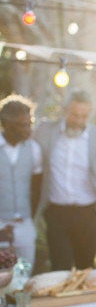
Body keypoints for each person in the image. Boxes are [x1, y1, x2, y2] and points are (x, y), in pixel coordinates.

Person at [34, 89, 96, 270]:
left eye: (84, 116)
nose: (79, 121)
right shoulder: (45, 131)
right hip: (56, 212)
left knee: (86, 268)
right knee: (60, 267)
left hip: (89, 212)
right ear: (65, 110)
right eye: (75, 115)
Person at [0, 94, 42, 267]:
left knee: (25, 273)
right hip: (0, 221)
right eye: (23, 125)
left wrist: (29, 216)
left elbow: (37, 188)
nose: (28, 130)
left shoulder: (34, 149)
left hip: (25, 224)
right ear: (7, 124)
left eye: (30, 123)